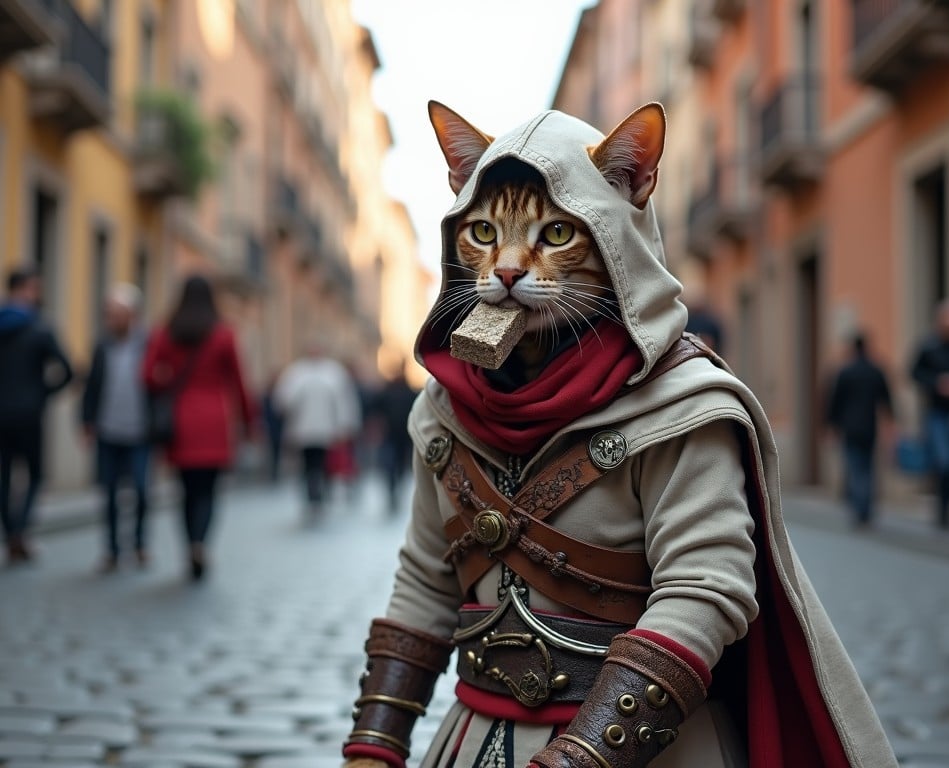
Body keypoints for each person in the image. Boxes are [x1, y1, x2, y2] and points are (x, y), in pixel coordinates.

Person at [341, 102, 896, 768]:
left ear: (615, 234)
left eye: (553, 234)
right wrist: (373, 747)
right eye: (485, 232)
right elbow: (426, 584)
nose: (510, 266)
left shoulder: (682, 401)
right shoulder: (444, 406)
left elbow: (705, 587)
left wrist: (583, 757)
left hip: (642, 749)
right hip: (473, 739)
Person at [143, 275, 253, 581]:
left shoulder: (166, 332)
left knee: (186, 490)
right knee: (209, 491)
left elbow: (148, 375)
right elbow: (239, 383)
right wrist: (249, 422)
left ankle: (189, 544)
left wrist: (167, 379)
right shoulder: (224, 334)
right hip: (215, 421)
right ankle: (201, 544)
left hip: (181, 421)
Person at [0, 267, 73, 565]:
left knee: (3, 476)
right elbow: (66, 370)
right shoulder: (40, 327)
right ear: (28, 289)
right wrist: (43, 393)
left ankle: (11, 534)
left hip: (1, 413)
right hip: (30, 413)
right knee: (35, 474)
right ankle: (20, 531)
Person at [81, 284, 152, 572]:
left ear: (132, 315)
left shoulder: (148, 345)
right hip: (107, 430)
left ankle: (138, 545)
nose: (110, 319)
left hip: (139, 431)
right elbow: (92, 385)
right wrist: (86, 421)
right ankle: (111, 550)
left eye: (116, 314)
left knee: (141, 490)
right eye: (108, 313)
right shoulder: (101, 345)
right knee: (108, 492)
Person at [274, 338, 361, 520]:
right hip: (303, 431)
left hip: (326, 431)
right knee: (308, 465)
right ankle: (312, 496)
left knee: (323, 464)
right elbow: (284, 400)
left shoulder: (334, 373)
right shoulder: (296, 373)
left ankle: (320, 494)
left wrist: (344, 426)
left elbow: (344, 403)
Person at [826, 332, 894, 527]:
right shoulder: (875, 371)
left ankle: (859, 506)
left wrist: (832, 425)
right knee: (868, 467)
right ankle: (866, 507)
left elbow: (835, 401)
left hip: (850, 427)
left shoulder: (845, 372)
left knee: (855, 467)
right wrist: (890, 422)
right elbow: (886, 399)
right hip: (869, 426)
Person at [909, 300, 949, 529]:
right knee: (945, 461)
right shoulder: (928, 345)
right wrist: (937, 383)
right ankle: (942, 507)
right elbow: (914, 372)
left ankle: (947, 508)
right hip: (936, 412)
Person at [368, 361, 419, 511]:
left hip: (404, 435)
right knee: (390, 465)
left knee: (400, 466)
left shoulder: (410, 392)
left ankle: (395, 491)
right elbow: (375, 411)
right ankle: (392, 492)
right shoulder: (387, 391)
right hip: (389, 435)